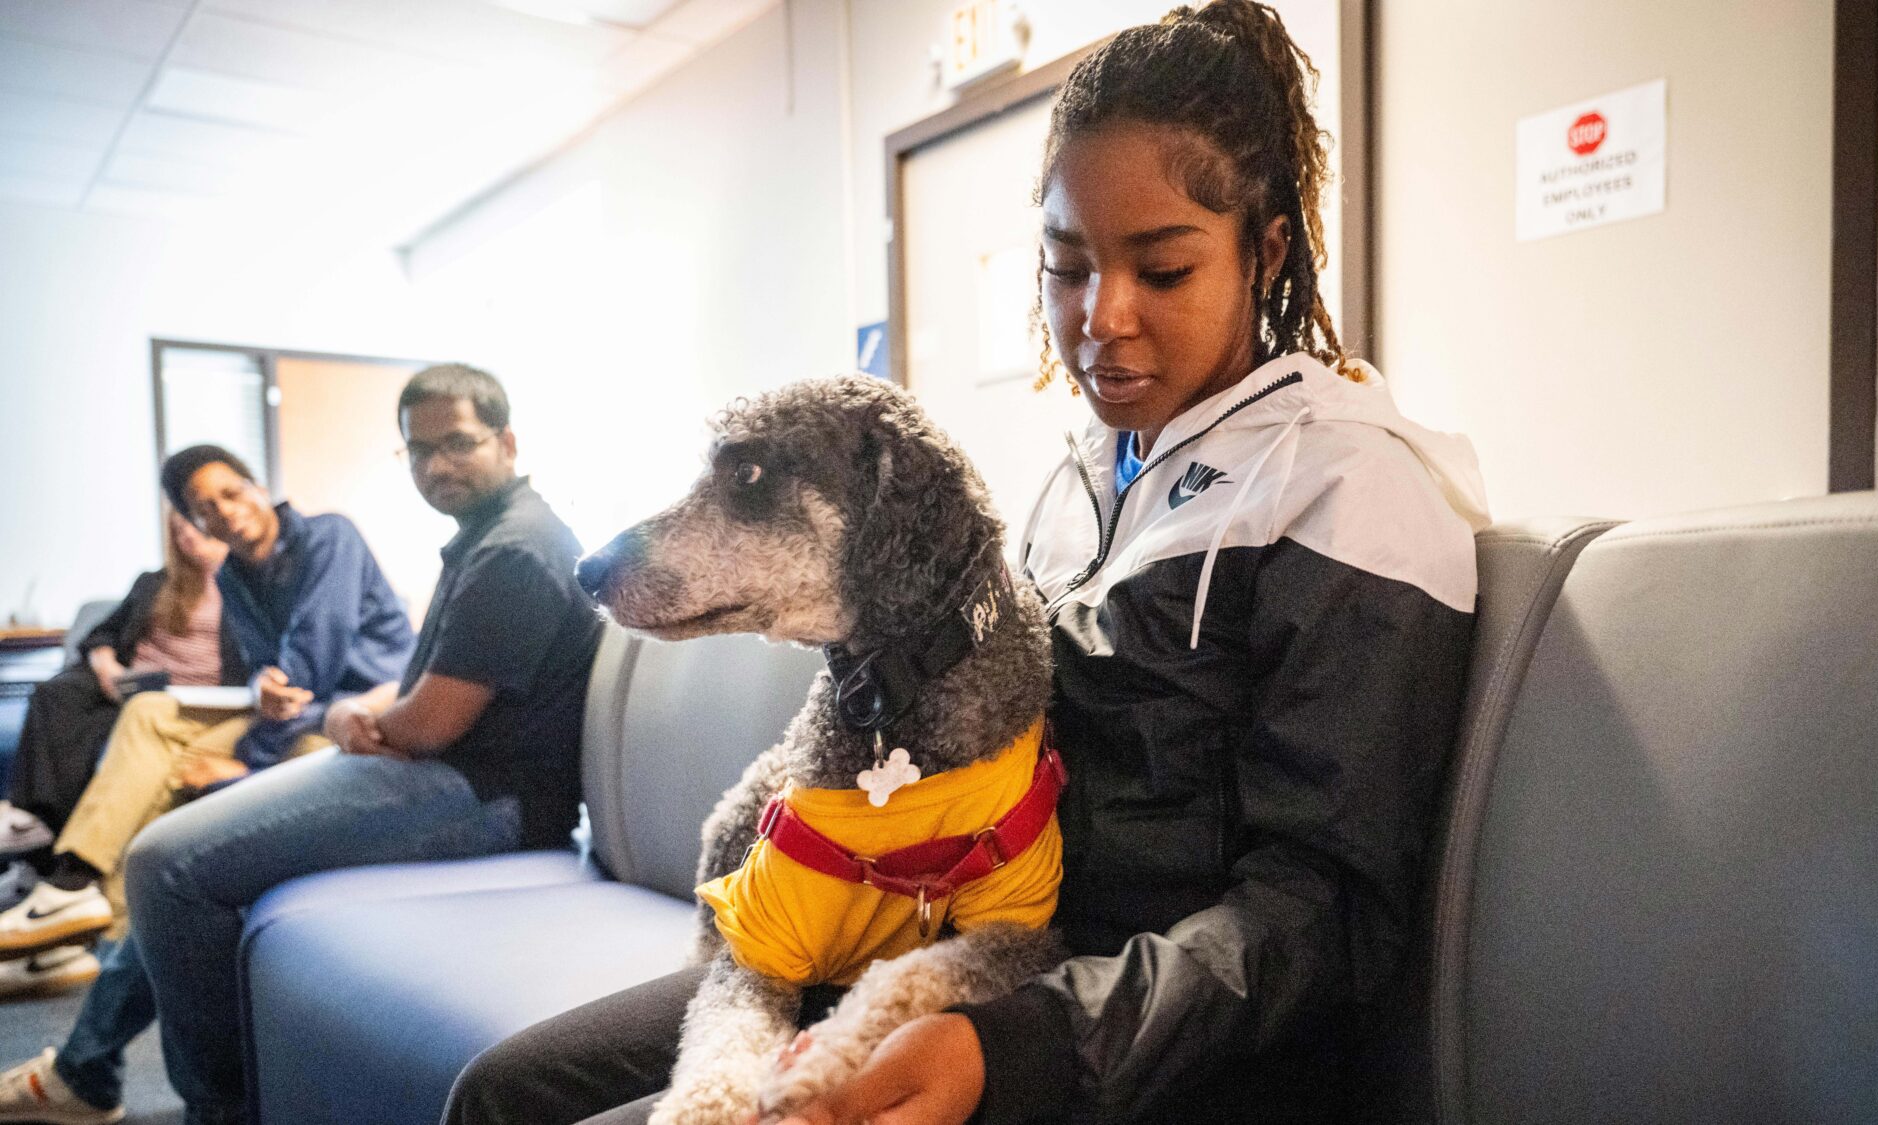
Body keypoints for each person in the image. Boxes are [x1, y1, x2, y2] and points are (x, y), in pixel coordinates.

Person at [440, 4, 1489, 1125]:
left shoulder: (1345, 488)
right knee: (508, 1093)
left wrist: (1016, 1045)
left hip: (1142, 1036)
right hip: (962, 945)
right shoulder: (1080, 477)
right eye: (1065, 267)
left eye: (1165, 269)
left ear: (1265, 249)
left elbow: (1319, 917)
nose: (1103, 320)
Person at [85, 365, 600, 1125]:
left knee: (167, 865)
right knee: (171, 852)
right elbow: (419, 684)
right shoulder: (485, 538)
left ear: (508, 440)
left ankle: (221, 1111)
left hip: (486, 796)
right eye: (417, 451)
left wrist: (342, 720)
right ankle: (90, 1044)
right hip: (441, 771)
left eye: (456, 443)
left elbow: (430, 722)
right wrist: (360, 709)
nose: (435, 466)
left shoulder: (514, 551)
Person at [0, 448, 417, 1124]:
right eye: (205, 506)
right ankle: (73, 884)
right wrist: (259, 692)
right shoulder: (239, 576)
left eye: (232, 490)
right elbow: (265, 672)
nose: (226, 510)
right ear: (192, 520)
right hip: (293, 719)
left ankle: (86, 1060)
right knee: (148, 714)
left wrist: (246, 766)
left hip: (357, 720)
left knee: (175, 859)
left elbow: (315, 666)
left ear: (255, 486)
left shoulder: (329, 536)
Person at [0, 512, 237, 1000]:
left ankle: (70, 892)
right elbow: (102, 635)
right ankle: (38, 834)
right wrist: (107, 663)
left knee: (141, 729)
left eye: (198, 521)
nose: (189, 533)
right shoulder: (156, 583)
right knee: (56, 696)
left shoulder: (245, 585)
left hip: (198, 704)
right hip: (135, 690)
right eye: (179, 526)